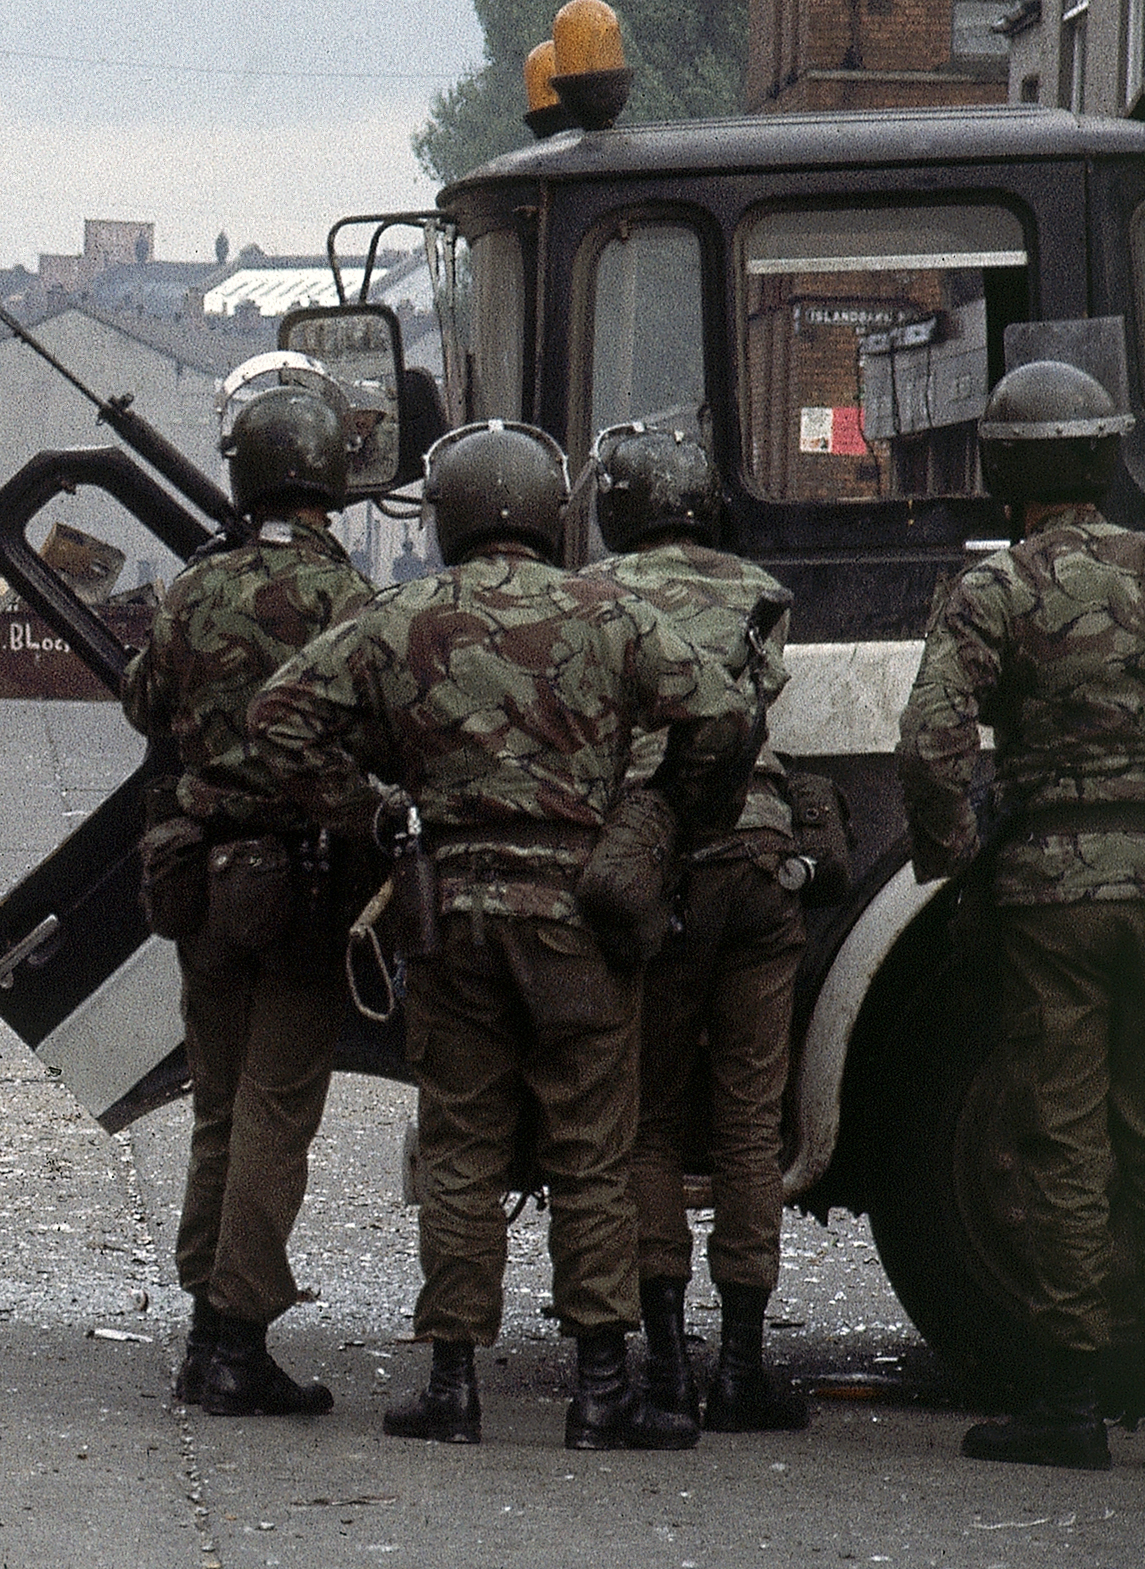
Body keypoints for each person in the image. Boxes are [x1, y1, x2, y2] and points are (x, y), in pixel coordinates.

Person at [246, 420, 757, 1451]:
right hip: (580, 921)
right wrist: (663, 815)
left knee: (462, 1151)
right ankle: (603, 1388)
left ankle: (452, 1386)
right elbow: (727, 713)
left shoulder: (400, 617)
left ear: (450, 518)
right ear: (551, 511)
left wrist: (374, 811)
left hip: (450, 918)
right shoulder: (608, 611)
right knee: (593, 1151)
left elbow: (277, 717)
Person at [898, 361, 1145, 1471]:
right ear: (1105, 456)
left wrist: (959, 859)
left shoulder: (995, 587)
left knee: (1062, 1138)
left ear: (1004, 472)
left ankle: (1069, 1400)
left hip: (1056, 897)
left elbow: (930, 744)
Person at [127, 382, 374, 1416]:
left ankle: (204, 1327)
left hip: (201, 880)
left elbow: (143, 701)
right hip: (301, 886)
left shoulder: (193, 589)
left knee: (220, 1108)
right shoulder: (348, 596)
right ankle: (237, 1337)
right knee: (277, 1110)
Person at [583, 424, 810, 1435]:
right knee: (750, 1122)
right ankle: (744, 1367)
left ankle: (668, 1360)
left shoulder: (594, 593)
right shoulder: (763, 589)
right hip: (762, 857)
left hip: (664, 860)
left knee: (653, 1119)